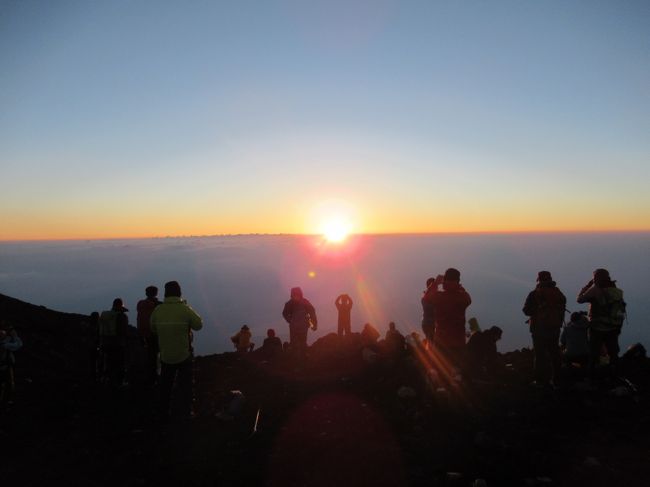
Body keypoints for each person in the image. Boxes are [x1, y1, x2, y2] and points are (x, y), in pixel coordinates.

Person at [150, 281, 203, 420]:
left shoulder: (158, 310)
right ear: (179, 293)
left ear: (165, 293)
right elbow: (198, 325)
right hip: (183, 355)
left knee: (165, 385)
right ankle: (186, 411)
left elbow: (153, 328)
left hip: (166, 355)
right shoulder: (184, 309)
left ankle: (163, 411)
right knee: (185, 384)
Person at [577, 268, 626, 375]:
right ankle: (615, 375)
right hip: (613, 326)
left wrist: (587, 286)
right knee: (613, 352)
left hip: (597, 327)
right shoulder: (615, 290)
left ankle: (591, 377)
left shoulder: (595, 289)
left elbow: (579, 299)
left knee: (593, 353)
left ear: (596, 278)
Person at [523, 271, 567, 386]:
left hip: (539, 329)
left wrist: (536, 312)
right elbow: (562, 309)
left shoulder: (535, 294)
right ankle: (557, 378)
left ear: (539, 280)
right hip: (555, 328)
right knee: (554, 353)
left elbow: (526, 311)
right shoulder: (559, 294)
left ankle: (540, 380)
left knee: (540, 355)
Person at [430, 268, 472, 370]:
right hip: (459, 342)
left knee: (440, 371)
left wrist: (436, 283)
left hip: (441, 341)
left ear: (445, 281)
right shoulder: (463, 298)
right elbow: (468, 299)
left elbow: (427, 298)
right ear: (458, 281)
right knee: (458, 372)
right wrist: (459, 287)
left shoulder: (439, 296)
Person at [98, 298, 129, 387]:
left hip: (104, 343)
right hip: (117, 344)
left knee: (107, 363)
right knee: (119, 364)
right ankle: (119, 383)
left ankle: (104, 380)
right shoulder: (121, 316)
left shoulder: (104, 314)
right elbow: (123, 331)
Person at [137, 286, 161, 386]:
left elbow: (139, 319)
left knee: (150, 356)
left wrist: (140, 334)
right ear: (156, 293)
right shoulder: (158, 305)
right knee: (157, 356)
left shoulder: (140, 304)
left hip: (144, 333)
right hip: (156, 334)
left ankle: (149, 377)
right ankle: (156, 377)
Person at [282, 287, 317, 357]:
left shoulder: (293, 303)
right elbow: (312, 312)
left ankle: (300, 358)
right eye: (294, 293)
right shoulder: (292, 303)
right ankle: (300, 358)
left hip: (300, 326)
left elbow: (312, 312)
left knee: (300, 343)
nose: (295, 295)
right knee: (298, 343)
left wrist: (314, 324)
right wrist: (314, 324)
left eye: (296, 293)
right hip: (298, 327)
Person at [0, 323, 23, 409]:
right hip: (5, 366)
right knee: (8, 384)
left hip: (5, 365)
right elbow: (19, 345)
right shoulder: (6, 344)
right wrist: (15, 336)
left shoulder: (6, 343)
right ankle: (5, 402)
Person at [421, 277, 437, 348]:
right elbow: (430, 309)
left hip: (429, 324)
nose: (436, 288)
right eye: (434, 285)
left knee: (432, 343)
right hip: (428, 324)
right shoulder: (425, 298)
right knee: (432, 344)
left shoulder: (426, 297)